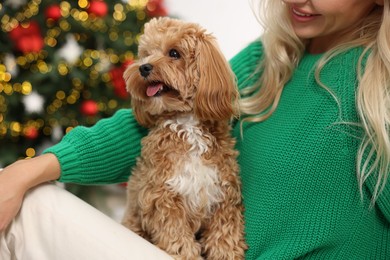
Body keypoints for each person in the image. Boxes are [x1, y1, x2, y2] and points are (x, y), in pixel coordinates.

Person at [1, 0, 389, 259]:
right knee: (27, 196)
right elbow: (146, 127)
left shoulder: (377, 81)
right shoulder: (271, 57)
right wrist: (25, 171)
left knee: (30, 212)